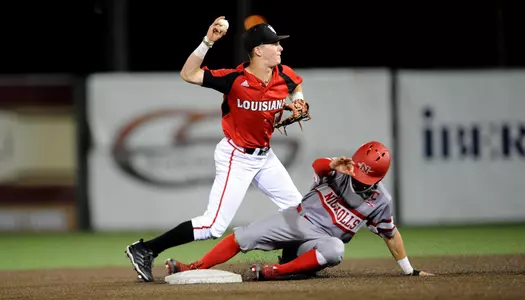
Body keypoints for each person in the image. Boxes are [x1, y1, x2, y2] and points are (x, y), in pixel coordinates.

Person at [125, 16, 310, 282]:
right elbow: (188, 74)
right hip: (237, 156)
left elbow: (296, 85)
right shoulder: (234, 79)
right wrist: (208, 41)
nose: (280, 48)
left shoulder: (284, 74)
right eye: (274, 44)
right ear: (258, 50)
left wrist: (299, 101)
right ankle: (145, 249)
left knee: (298, 210)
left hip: (265, 156)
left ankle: (288, 263)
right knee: (213, 226)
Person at [164, 141, 434, 280]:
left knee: (335, 250)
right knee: (242, 237)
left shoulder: (381, 200)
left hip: (318, 243)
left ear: (377, 178)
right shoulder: (340, 171)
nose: (356, 178)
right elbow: (317, 167)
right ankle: (192, 267)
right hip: (297, 219)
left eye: (364, 178)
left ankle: (275, 272)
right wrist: (332, 164)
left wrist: (408, 270)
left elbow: (390, 234)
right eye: (356, 171)